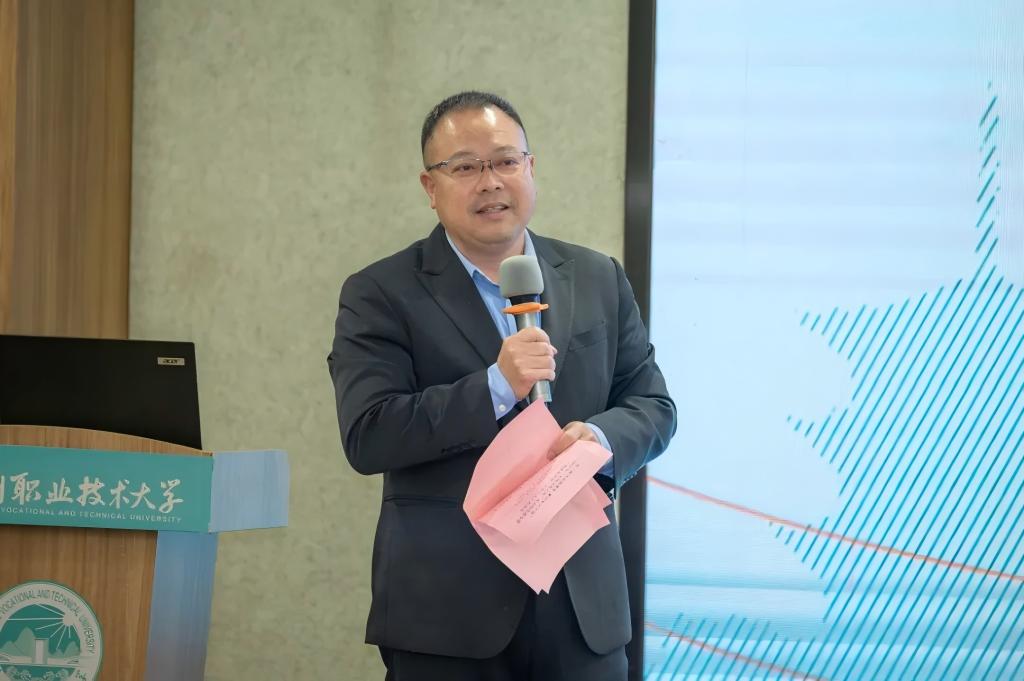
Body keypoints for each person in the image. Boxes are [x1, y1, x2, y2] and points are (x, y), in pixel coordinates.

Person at [328, 91, 676, 681]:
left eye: (506, 161)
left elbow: (653, 405)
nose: (490, 181)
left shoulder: (597, 277)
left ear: (530, 168)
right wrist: (495, 386)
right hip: (447, 616)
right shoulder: (380, 292)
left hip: (582, 608)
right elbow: (369, 434)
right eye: (465, 166)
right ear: (430, 186)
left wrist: (598, 437)